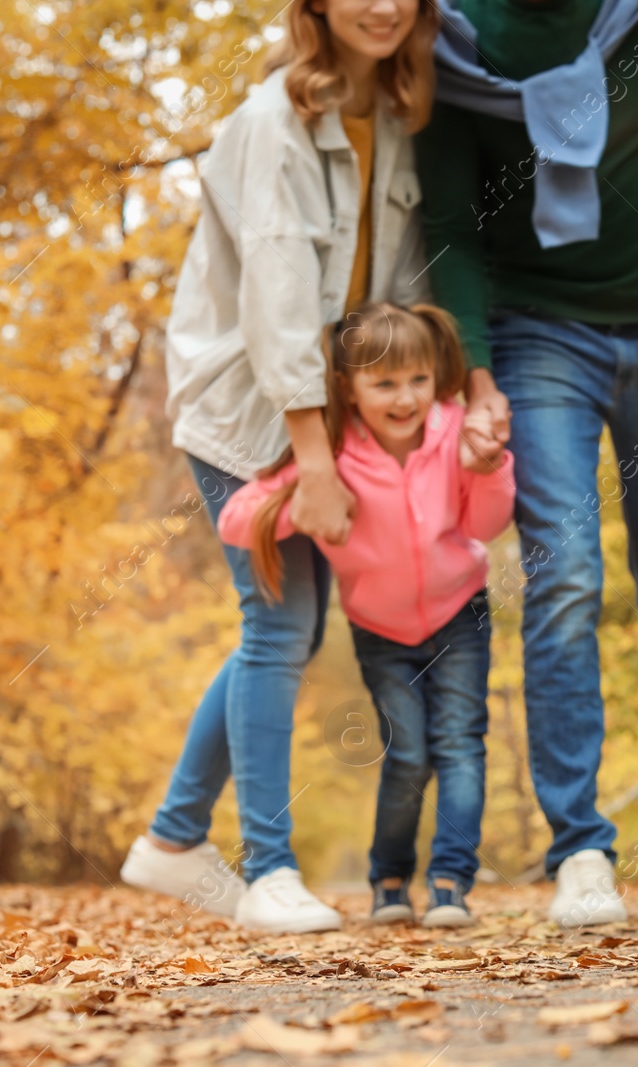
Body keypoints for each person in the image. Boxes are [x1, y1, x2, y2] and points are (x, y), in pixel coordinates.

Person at [123, 0, 507, 934]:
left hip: (331, 418)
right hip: (250, 410)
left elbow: (401, 291)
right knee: (278, 626)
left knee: (282, 629)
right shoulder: (272, 123)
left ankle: (173, 839)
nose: (381, 6)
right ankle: (268, 869)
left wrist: (458, 403)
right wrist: (314, 458)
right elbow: (280, 298)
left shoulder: (397, 117)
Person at [416, 0, 638, 925]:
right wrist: (480, 377)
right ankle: (578, 846)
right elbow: (451, 225)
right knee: (565, 579)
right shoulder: (457, 40)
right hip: (539, 339)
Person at [216, 303, 513, 928]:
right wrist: (308, 500)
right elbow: (235, 520)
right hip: (381, 631)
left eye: (417, 380)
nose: (405, 398)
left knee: (460, 744)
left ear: (437, 377)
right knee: (407, 753)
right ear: (348, 388)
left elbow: (487, 524)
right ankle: (389, 879)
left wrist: (488, 469)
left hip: (461, 613)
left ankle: (452, 883)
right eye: (383, 383)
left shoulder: (455, 431)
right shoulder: (330, 455)